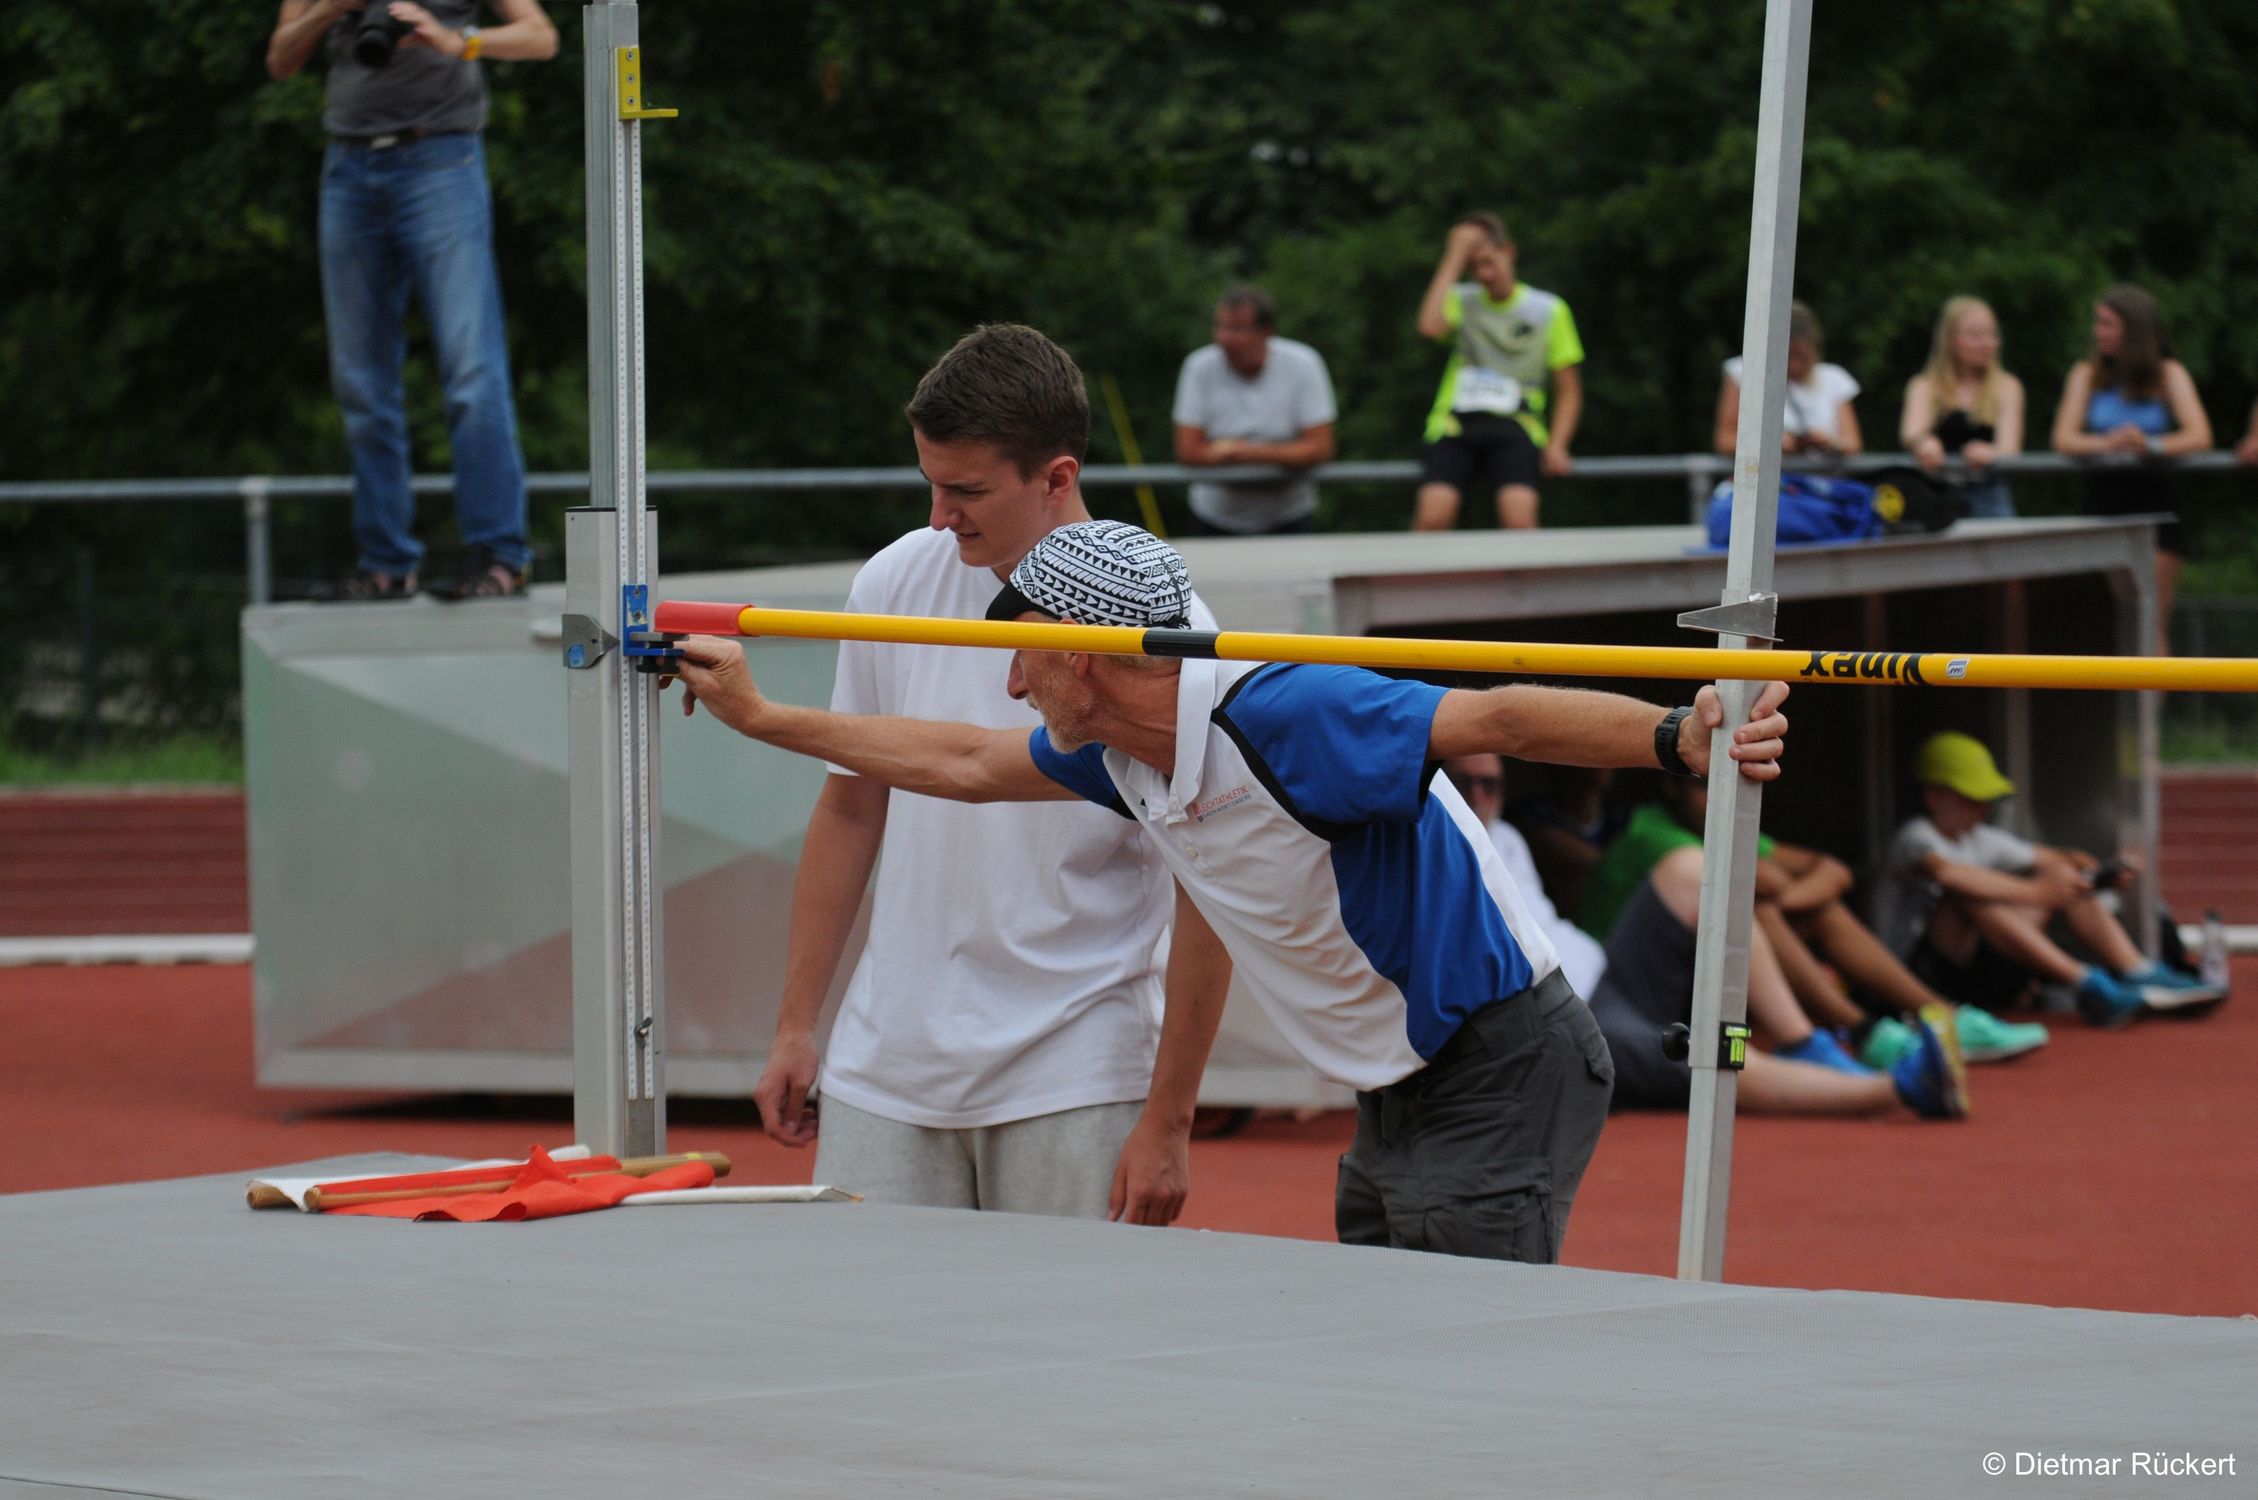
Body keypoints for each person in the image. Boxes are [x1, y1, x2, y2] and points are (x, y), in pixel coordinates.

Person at [671, 519, 1799, 1264]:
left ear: (1090, 658)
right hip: (1394, 1087)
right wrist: (765, 719)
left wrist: (1672, 736)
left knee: (1458, 1362)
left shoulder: (1286, 714)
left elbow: (1495, 714)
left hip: (1498, 1063)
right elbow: (960, 764)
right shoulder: (1120, 748)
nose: (1008, 680)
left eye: (1022, 654)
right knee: (1384, 1354)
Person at [749, 325, 1229, 1227]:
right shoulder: (896, 579)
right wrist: (796, 1023)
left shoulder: (1168, 621)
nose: (939, 516)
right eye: (930, 483)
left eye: (965, 490)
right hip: (884, 1068)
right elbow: (852, 800)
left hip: (1074, 1070)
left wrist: (1169, 1118)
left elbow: (1207, 879)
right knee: (872, 1358)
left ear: (1056, 477)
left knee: (1060, 1358)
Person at [266, 0, 555, 602]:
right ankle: (386, 563)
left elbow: (540, 36)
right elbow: (281, 59)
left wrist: (459, 42)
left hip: (442, 161)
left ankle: (500, 557)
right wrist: (330, 11)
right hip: (348, 165)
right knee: (361, 383)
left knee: (472, 372)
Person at [1579, 774, 2049, 1067]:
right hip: (1630, 994)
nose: (1716, 794)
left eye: (1725, 780)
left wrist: (1784, 894)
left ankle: (1940, 1016)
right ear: (1671, 786)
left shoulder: (1714, 822)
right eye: (1703, 783)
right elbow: (1767, 883)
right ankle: (1860, 1032)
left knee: (1805, 908)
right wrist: (1780, 892)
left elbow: (1832, 870)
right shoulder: (1650, 832)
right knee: (1755, 904)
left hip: (1695, 976)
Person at [1873, 731, 2227, 1029]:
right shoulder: (1914, 837)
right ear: (1933, 797)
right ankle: (2086, 982)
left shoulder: (1978, 837)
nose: (1982, 809)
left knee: (2058, 875)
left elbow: (2064, 859)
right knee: (1967, 894)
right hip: (1922, 975)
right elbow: (1947, 874)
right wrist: (2038, 893)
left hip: (1982, 968)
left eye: (1985, 800)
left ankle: (2135, 970)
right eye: (1971, 799)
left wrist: (2096, 876)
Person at [1589, 847, 1967, 1120]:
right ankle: (1902, 1086)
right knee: (1717, 1054)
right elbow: (1774, 878)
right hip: (1579, 1021)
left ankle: (1803, 1043)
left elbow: (1818, 873)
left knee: (1694, 868)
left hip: (1604, 972)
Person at [2048, 284, 2214, 650]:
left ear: (2133, 328)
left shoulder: (2168, 373)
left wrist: (2151, 445)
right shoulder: (2086, 374)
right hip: (2101, 503)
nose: (2098, 331)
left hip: (2155, 503)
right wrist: (2106, 444)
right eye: (2098, 322)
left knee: (2151, 621)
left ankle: (2154, 709)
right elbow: (2063, 437)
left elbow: (2200, 433)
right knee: (2102, 623)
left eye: (2107, 323)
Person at [1412, 214, 1584, 531]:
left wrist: (1558, 445)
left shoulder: (1548, 309)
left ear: (1509, 252)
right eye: (1473, 267)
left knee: (1519, 520)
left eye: (1489, 262)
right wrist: (1454, 256)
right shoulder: (1461, 300)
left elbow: (1569, 390)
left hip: (1518, 426)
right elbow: (1429, 326)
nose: (1484, 275)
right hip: (1456, 425)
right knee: (1432, 517)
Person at [1170, 286, 1338, 536]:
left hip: (1290, 519)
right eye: (1220, 327)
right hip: (1213, 518)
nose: (1224, 337)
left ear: (1266, 331)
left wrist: (1243, 452)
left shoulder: (1303, 363)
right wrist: (1281, 454)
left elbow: (1321, 448)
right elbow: (1188, 451)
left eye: (1237, 329)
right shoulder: (1199, 366)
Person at [1441, 753, 1606, 999]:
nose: (1476, 796)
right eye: (1463, 783)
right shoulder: (1436, 846)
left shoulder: (1507, 836)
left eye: (1488, 785)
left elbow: (1539, 912)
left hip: (1567, 959)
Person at [1900, 296, 2025, 519]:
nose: (1986, 343)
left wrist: (1991, 454)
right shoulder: (1924, 385)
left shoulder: (2008, 386)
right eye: (1975, 335)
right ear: (1950, 340)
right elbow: (1911, 432)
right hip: (1936, 495)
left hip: (1989, 497)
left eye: (1992, 334)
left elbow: (2010, 448)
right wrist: (1924, 443)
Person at [1713, 301, 1862, 459]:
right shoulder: (1744, 372)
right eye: (1787, 356)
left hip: (1821, 481)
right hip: (1761, 478)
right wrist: (1770, 445)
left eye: (1800, 356)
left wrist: (1829, 442)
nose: (1794, 365)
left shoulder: (1834, 378)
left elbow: (1853, 444)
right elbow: (1724, 441)